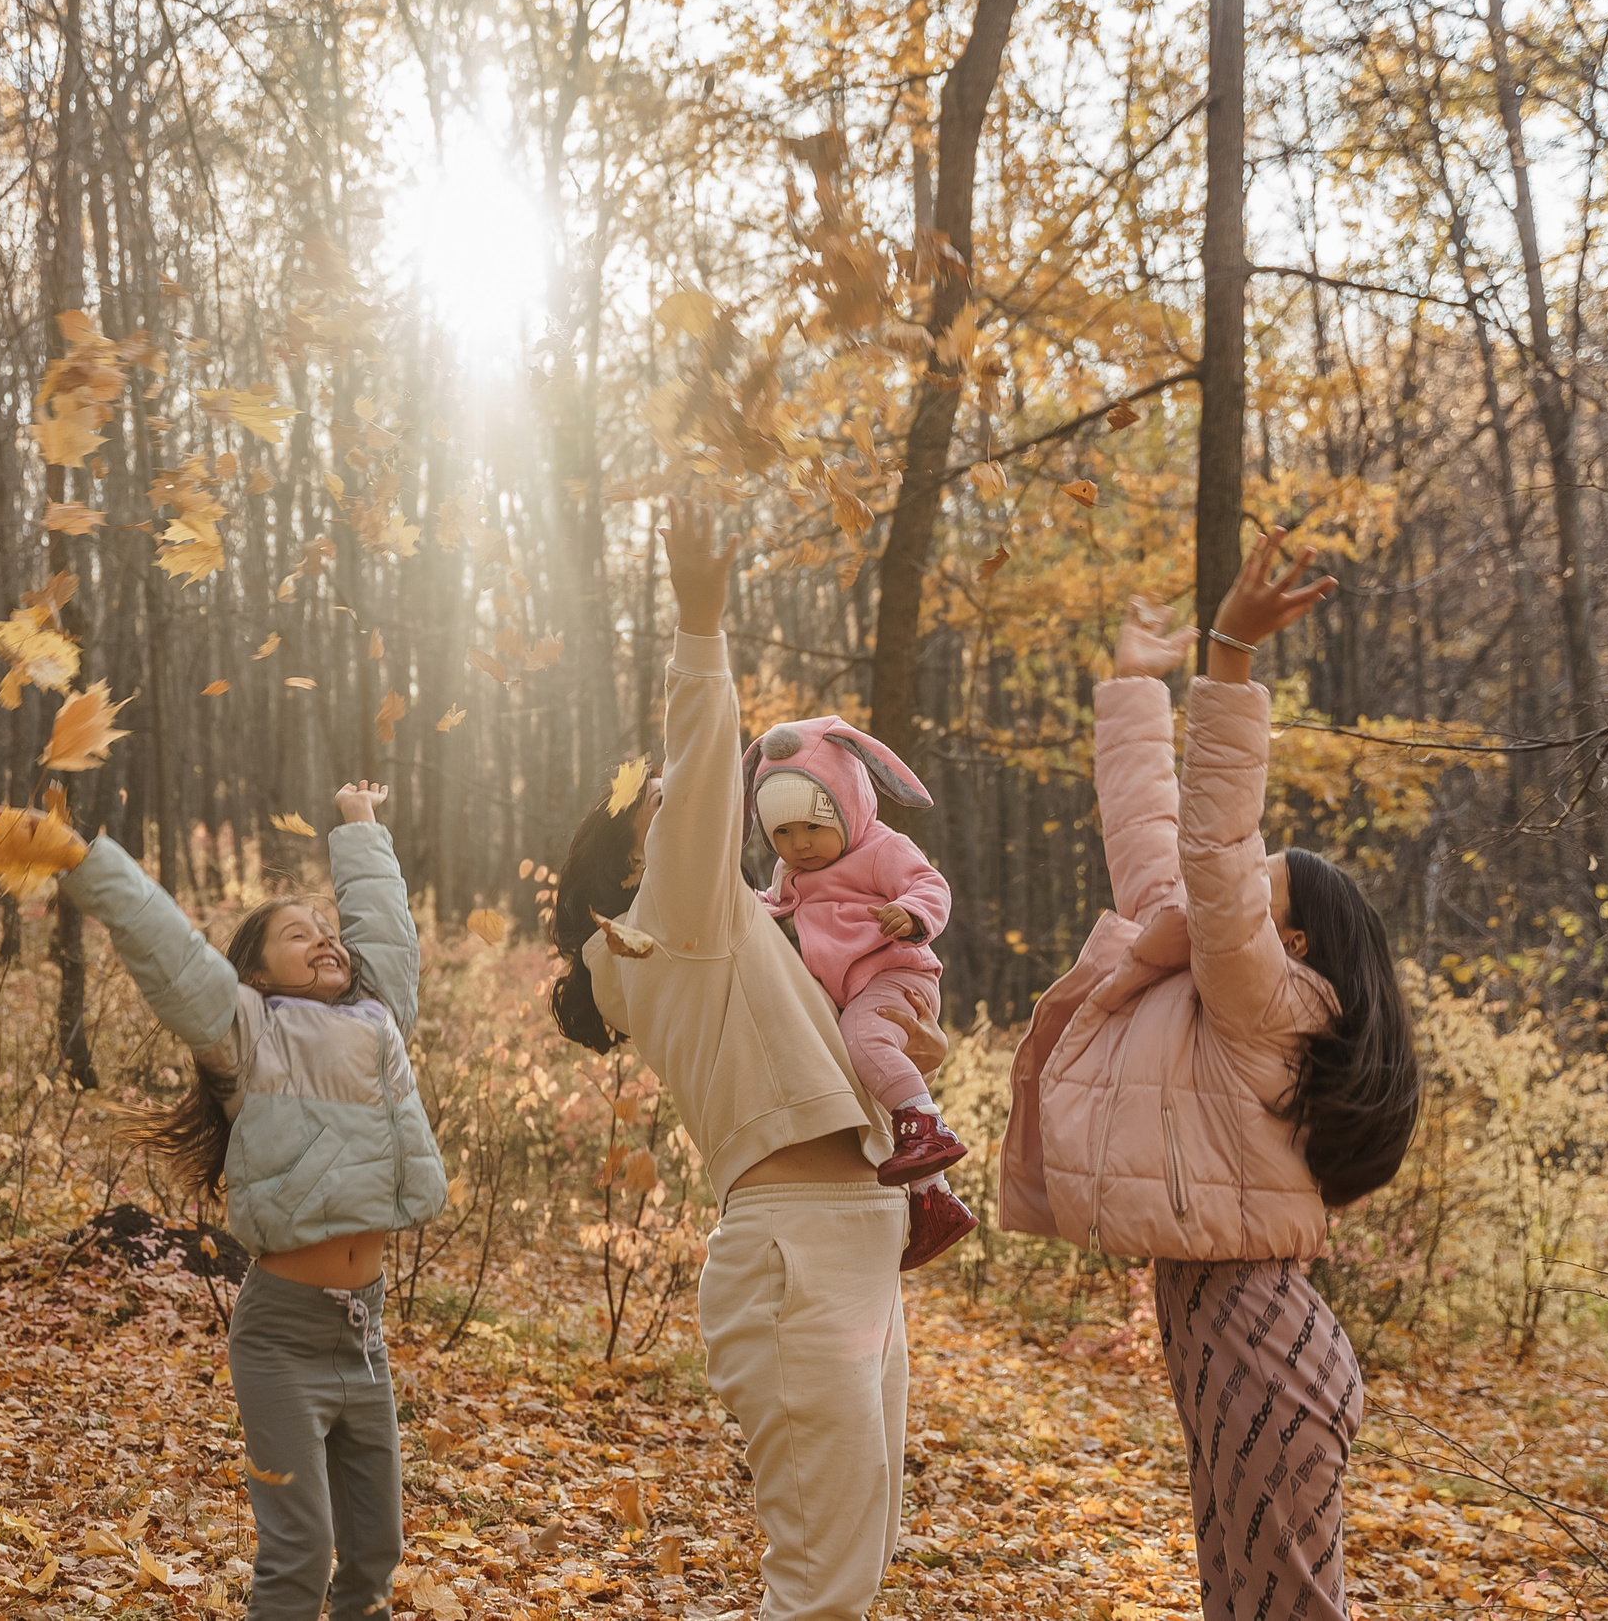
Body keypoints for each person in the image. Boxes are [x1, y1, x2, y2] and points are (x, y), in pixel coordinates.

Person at [1001, 531, 1422, 1621]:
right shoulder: (1203, 970)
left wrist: (1229, 659)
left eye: (1255, 890)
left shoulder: (1272, 1000)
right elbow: (1154, 837)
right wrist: (1133, 690)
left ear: (1296, 941)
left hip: (1260, 1337)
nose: (1222, 890)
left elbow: (1213, 846)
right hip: (1229, 1329)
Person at [548, 499, 925, 1621]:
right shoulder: (663, 927)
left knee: (856, 1561)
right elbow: (708, 763)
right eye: (668, 814)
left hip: (857, 1240)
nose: (711, 820)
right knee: (823, 1584)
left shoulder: (737, 932)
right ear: (633, 866)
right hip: (794, 1249)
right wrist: (701, 624)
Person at [0, 780, 446, 1621]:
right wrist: (82, 857)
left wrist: (361, 824)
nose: (325, 939)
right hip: (283, 1340)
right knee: (301, 1554)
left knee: (375, 1554)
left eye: (328, 931)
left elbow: (386, 931)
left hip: (363, 1333)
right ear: (255, 972)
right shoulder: (246, 1030)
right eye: (298, 934)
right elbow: (171, 949)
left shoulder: (381, 1017)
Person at [742, 715, 977, 1267]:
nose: (800, 844)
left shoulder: (879, 847)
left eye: (813, 826)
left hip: (895, 974)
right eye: (782, 833)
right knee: (867, 1057)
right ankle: (934, 1202)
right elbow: (778, 905)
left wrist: (911, 913)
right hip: (859, 986)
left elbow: (929, 884)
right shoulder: (791, 871)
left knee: (862, 1039)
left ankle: (927, 1129)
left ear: (846, 806)